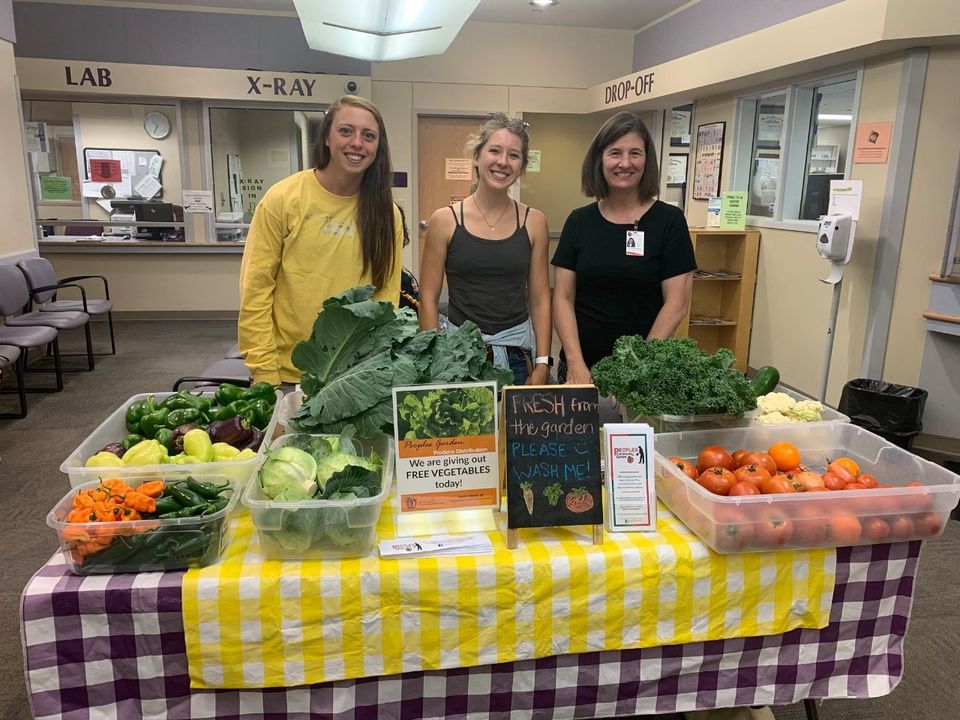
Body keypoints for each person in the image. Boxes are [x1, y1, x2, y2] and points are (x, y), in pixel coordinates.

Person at [238, 95, 405, 386]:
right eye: (345, 131)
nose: (357, 143)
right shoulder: (283, 199)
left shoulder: (385, 213)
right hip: (287, 373)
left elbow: (386, 298)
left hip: (353, 375)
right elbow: (255, 290)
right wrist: (264, 371)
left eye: (368, 136)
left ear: (378, 147)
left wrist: (372, 367)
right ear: (326, 137)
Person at [552, 111, 696, 384]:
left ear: (647, 160)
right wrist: (575, 363)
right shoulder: (579, 221)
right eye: (615, 153)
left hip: (645, 372)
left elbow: (677, 303)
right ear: (600, 159)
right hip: (580, 368)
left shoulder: (669, 221)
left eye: (635, 153)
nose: (625, 163)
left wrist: (636, 368)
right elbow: (562, 298)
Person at [419, 113, 552, 385]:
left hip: (518, 356)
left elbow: (539, 299)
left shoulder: (534, 222)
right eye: (494, 151)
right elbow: (428, 297)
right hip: (458, 359)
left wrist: (542, 363)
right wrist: (435, 360)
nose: (503, 162)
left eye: (514, 155)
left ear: (522, 166)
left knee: (512, 429)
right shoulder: (444, 221)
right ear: (477, 157)